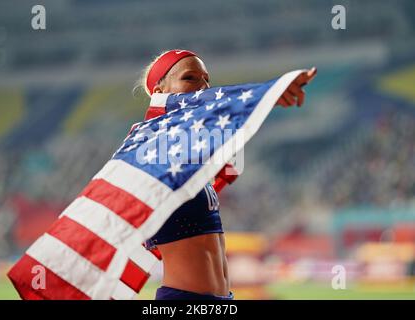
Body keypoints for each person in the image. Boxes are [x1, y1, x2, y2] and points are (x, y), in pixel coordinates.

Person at [131, 49, 316, 300]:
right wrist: (266, 95)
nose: (204, 87)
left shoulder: (193, 156)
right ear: (160, 94)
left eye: (206, 80)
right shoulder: (150, 145)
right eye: (190, 78)